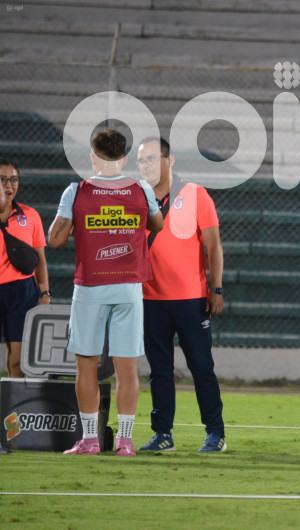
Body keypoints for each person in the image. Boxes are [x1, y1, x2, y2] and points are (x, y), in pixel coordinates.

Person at [49, 129, 163, 457]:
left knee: (86, 367)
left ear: (93, 156)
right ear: (125, 158)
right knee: (127, 368)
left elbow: (55, 239)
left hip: (90, 288)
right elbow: (157, 225)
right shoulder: (141, 188)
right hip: (129, 288)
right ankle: (125, 442)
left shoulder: (76, 191)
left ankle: (89, 440)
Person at [136, 137, 227, 453]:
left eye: (151, 158)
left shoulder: (195, 194)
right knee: (159, 372)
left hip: (191, 299)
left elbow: (214, 246)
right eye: (142, 160)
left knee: (202, 367)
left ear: (169, 160)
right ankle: (163, 434)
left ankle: (215, 433)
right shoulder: (136, 198)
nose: (146, 165)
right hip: (149, 299)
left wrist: (215, 288)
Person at [1, 158, 50, 381]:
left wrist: (45, 293)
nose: (9, 186)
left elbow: (40, 258)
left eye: (13, 180)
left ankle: (13, 414)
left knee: (17, 359)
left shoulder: (30, 215)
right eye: (2, 180)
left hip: (22, 292)